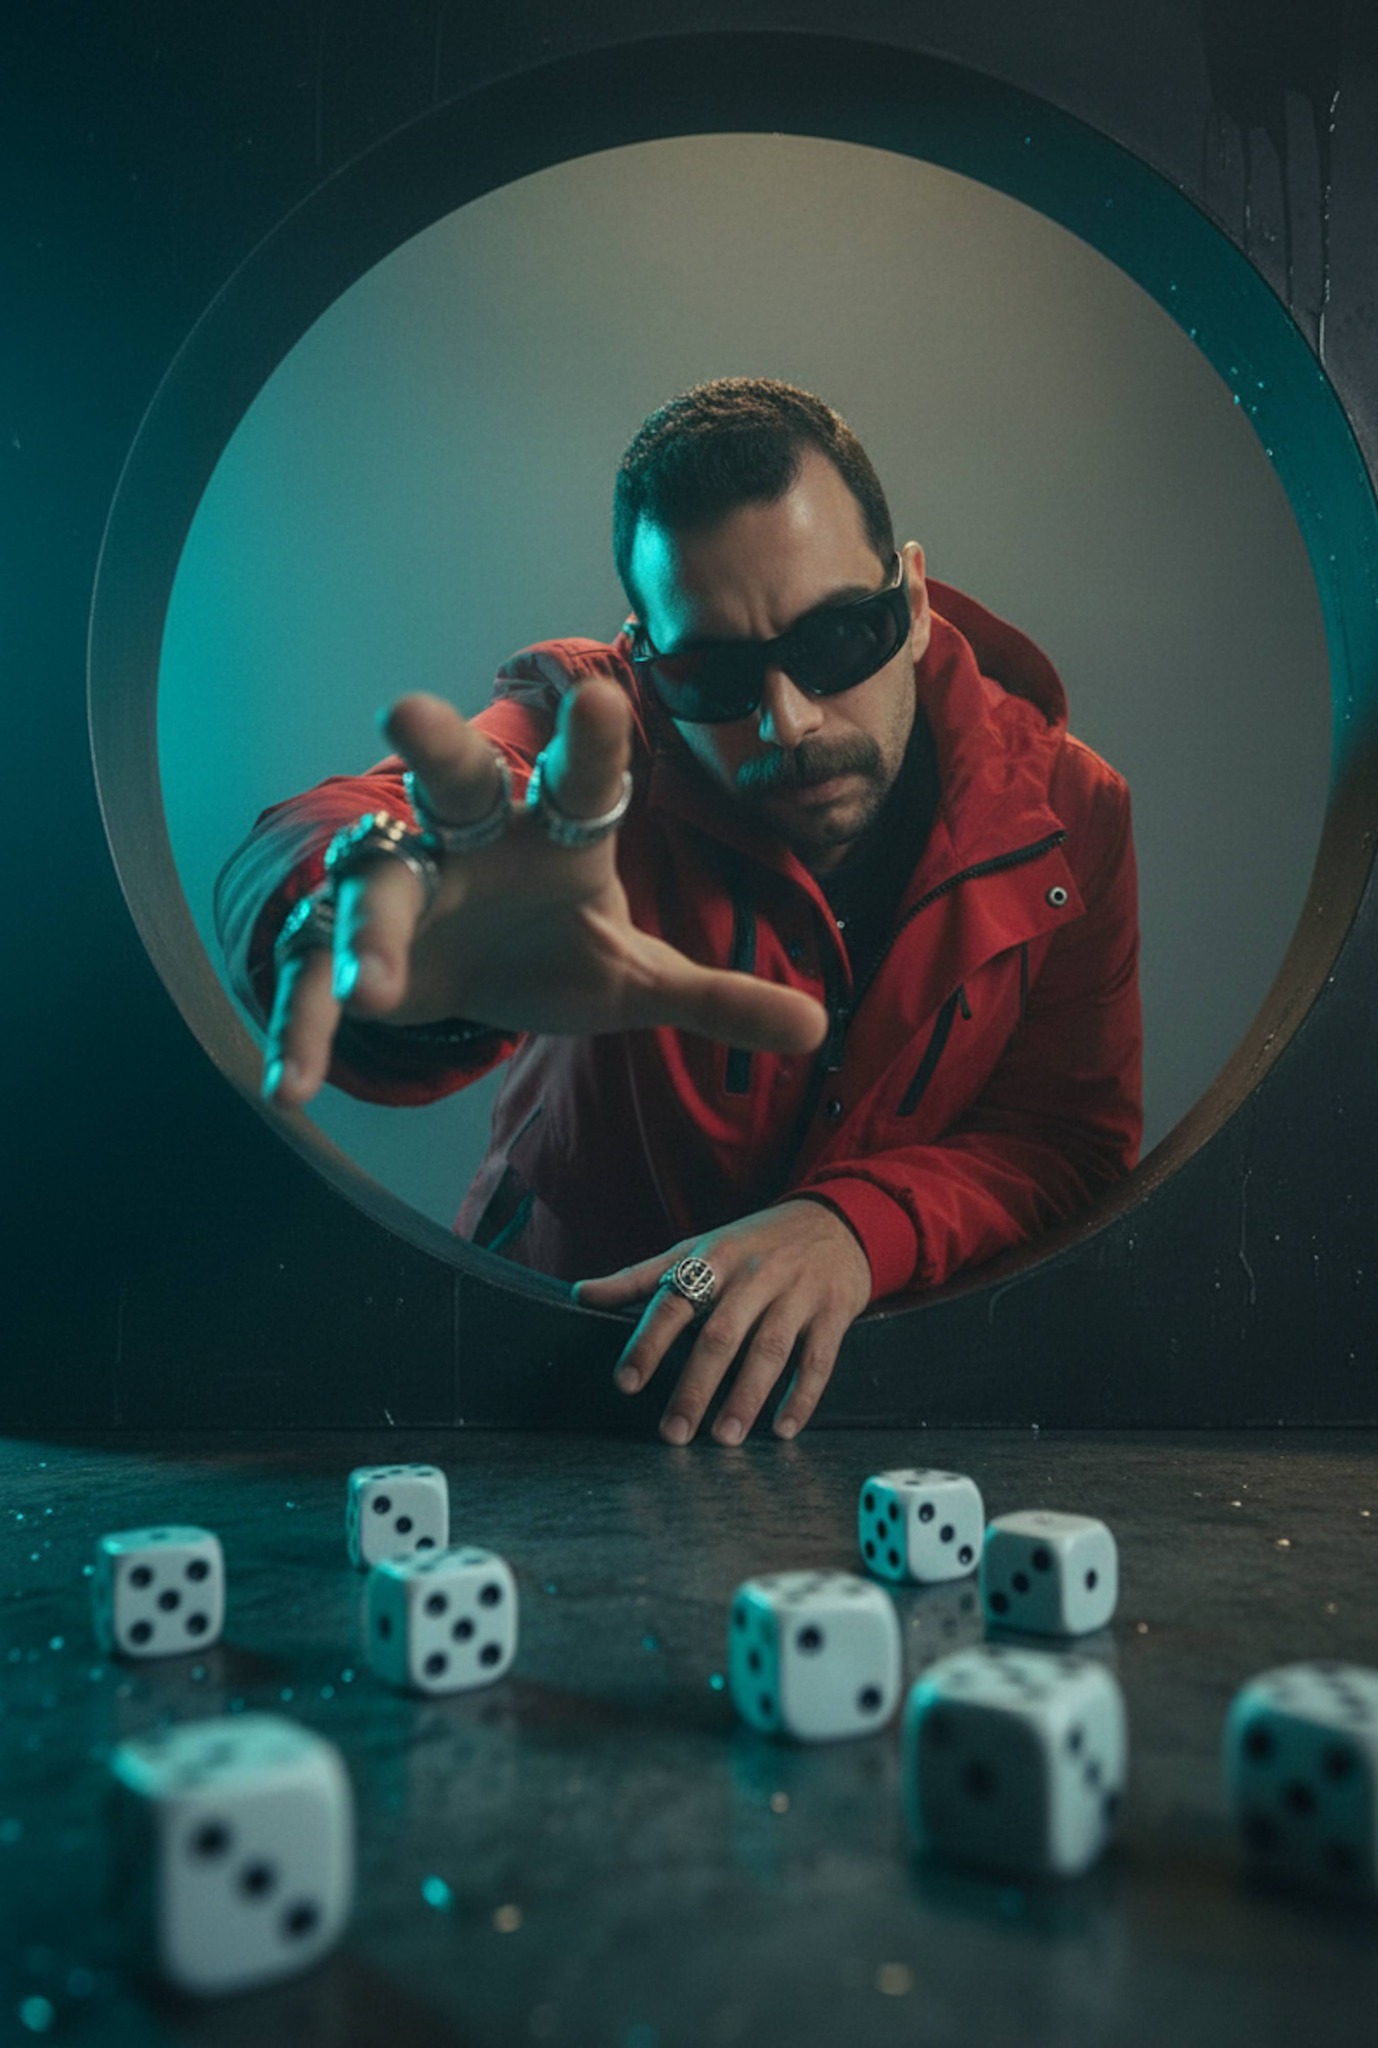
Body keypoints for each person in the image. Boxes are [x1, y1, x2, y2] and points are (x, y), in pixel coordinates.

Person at [216, 377, 1143, 1447]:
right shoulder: (591, 737)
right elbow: (329, 827)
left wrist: (856, 1226)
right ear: (650, 662)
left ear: (916, 596)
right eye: (713, 674)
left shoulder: (1072, 809)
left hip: (888, 1410)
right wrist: (362, 899)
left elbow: (1060, 1143)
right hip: (560, 1396)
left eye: (838, 640)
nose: (788, 721)